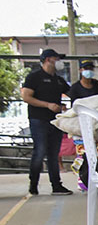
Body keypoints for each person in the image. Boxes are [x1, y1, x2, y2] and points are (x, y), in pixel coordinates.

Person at [20, 48, 72, 196]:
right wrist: (47, 105)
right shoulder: (34, 77)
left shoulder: (59, 80)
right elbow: (26, 97)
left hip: (55, 121)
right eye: (57, 59)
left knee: (54, 154)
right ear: (48, 59)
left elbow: (72, 93)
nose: (59, 62)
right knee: (40, 151)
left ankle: (56, 185)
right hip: (38, 120)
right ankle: (33, 185)